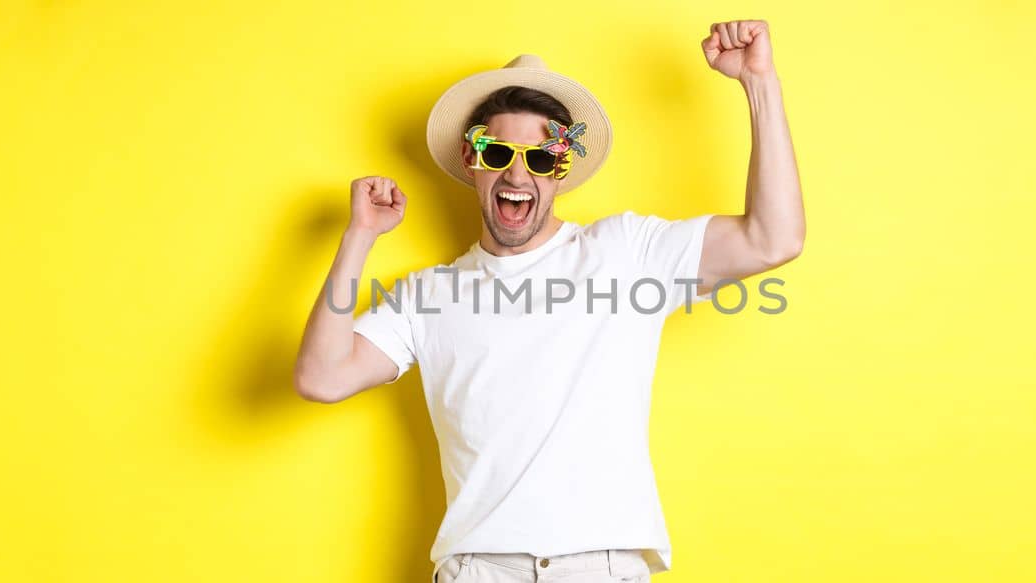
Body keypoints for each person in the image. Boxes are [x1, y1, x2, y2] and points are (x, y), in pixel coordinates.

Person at [293, 19, 803, 582]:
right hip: (480, 570)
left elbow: (773, 239)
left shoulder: (626, 254)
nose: (518, 172)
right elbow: (322, 377)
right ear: (472, 159)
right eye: (499, 153)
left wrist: (759, 82)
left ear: (560, 170)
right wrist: (359, 236)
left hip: (602, 566)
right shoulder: (426, 297)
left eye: (539, 158)